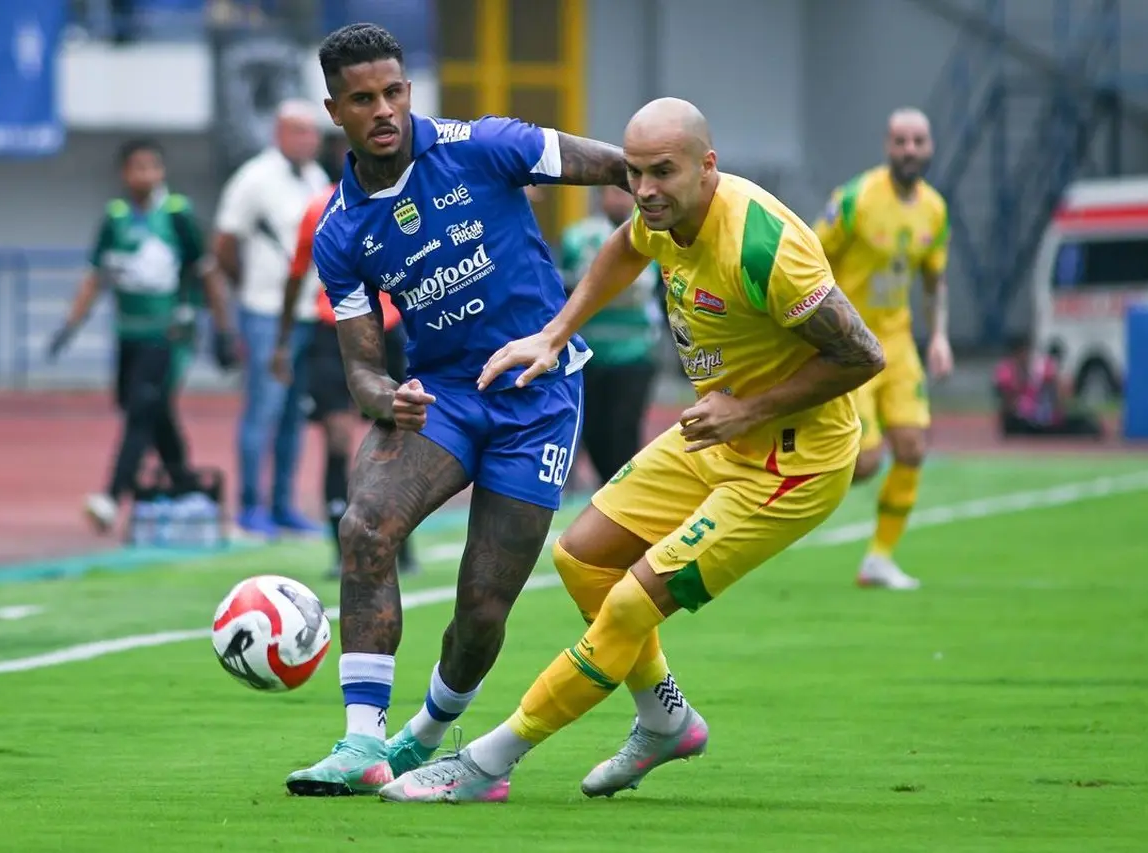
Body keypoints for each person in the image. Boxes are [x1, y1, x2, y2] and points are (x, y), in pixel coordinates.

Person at [378, 97, 886, 804]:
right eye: (636, 172)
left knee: (626, 607)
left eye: (663, 172)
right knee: (582, 556)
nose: (644, 189)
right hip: (717, 434)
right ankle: (665, 718)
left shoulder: (765, 247)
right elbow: (623, 248)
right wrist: (555, 332)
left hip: (791, 461)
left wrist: (749, 408)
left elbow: (863, 354)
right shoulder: (661, 217)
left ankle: (487, 763)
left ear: (709, 167)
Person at [283, 22, 631, 797]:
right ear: (335, 109)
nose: (384, 110)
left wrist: (687, 193)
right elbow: (364, 371)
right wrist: (390, 398)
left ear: (410, 91)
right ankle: (359, 741)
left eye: (394, 92)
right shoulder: (341, 231)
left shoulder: (488, 146)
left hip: (537, 397)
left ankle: (428, 736)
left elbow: (622, 166)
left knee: (481, 605)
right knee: (365, 524)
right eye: (363, 98)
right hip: (442, 397)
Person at [47, 138, 238, 531]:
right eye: (137, 168)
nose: (145, 175)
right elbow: (94, 277)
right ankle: (184, 482)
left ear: (162, 172)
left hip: (167, 332)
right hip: (127, 332)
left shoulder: (177, 214)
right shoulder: (115, 217)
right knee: (146, 409)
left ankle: (111, 497)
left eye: (152, 167)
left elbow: (209, 274)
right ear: (124, 173)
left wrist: (222, 330)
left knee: (140, 411)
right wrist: (70, 325)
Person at [812, 107, 954, 591]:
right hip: (850, 342)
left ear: (929, 147)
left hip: (897, 341)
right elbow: (809, 255)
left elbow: (935, 282)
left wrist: (939, 337)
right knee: (867, 462)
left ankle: (879, 559)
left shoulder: (935, 208)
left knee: (912, 447)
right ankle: (787, 483)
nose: (910, 150)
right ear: (887, 146)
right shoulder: (855, 199)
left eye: (918, 141)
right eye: (901, 141)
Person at [272, 185, 420, 578]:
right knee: (337, 438)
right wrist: (283, 341)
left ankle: (401, 540)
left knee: (396, 435)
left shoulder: (397, 201)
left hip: (387, 329)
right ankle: (341, 547)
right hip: (332, 330)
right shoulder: (319, 206)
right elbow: (296, 272)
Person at [212, 100, 330, 538]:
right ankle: (249, 507)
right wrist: (249, 289)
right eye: (298, 132)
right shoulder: (254, 179)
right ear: (278, 133)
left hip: (307, 313)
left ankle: (283, 505)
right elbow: (224, 243)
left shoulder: (316, 178)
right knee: (264, 408)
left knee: (295, 414)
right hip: (264, 312)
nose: (308, 140)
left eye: (312, 132)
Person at [559, 187, 662, 484]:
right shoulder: (578, 238)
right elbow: (564, 294)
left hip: (636, 352)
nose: (618, 200)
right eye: (612, 193)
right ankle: (603, 495)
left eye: (624, 194)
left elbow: (664, 298)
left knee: (623, 432)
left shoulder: (657, 237)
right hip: (589, 354)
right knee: (592, 433)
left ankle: (623, 496)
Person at [993, 335, 1103, 438]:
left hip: (1040, 415)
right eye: (1024, 352)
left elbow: (1060, 396)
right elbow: (1006, 399)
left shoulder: (1037, 369)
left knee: (1084, 424)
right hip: (1026, 417)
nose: (1026, 356)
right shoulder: (1008, 370)